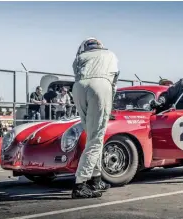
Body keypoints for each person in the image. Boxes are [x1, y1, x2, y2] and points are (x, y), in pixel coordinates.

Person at [71, 37, 119, 199]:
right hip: (100, 86)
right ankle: (80, 183)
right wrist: (108, 104)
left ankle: (96, 179)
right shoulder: (110, 55)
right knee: (96, 139)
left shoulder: (79, 57)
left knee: (93, 137)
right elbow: (113, 83)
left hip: (78, 87)